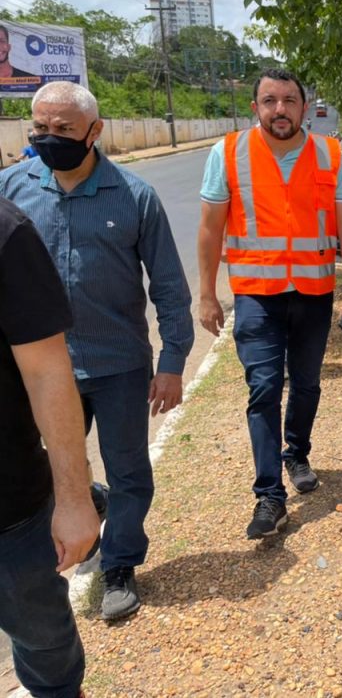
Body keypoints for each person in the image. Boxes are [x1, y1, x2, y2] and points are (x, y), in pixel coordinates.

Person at [0, 81, 194, 622]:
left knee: (130, 468)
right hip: (37, 370)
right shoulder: (10, 191)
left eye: (63, 130)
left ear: (94, 131)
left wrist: (173, 363)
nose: (48, 138)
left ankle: (120, 566)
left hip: (118, 365)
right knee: (45, 464)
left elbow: (170, 289)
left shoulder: (134, 198)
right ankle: (85, 501)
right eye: (39, 128)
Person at [197, 68, 342, 540]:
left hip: (313, 294)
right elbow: (212, 228)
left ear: (303, 106)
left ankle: (297, 452)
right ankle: (269, 494)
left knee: (308, 384)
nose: (279, 109)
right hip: (256, 296)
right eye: (269, 100)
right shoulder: (228, 153)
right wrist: (208, 292)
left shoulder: (331, 155)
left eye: (289, 100)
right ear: (255, 107)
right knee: (264, 389)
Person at [0, 197, 99, 698]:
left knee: (47, 657)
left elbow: (46, 373)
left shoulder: (5, 232)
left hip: (9, 516)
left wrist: (75, 500)